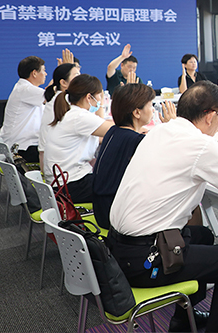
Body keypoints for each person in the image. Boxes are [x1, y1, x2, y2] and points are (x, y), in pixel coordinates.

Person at [109, 81, 218, 333]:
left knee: (203, 235)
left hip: (116, 249)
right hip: (144, 261)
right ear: (209, 116)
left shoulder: (159, 131)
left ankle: (183, 319)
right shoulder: (200, 145)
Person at [91, 84, 175, 229]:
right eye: (150, 105)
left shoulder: (114, 131)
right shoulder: (135, 141)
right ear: (137, 112)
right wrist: (173, 125)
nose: (153, 109)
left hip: (102, 208)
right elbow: (172, 156)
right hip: (118, 216)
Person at [45, 74, 114, 203]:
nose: (101, 100)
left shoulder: (72, 113)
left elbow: (103, 132)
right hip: (71, 185)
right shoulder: (80, 117)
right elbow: (116, 131)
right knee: (119, 184)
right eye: (99, 96)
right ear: (89, 97)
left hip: (61, 183)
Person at [0, 56, 48, 163]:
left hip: (19, 145)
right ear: (34, 73)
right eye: (44, 70)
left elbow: (51, 94)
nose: (46, 74)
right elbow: (52, 96)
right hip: (21, 150)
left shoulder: (24, 88)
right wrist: (62, 74)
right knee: (60, 153)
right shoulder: (25, 89)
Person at [39, 63, 81, 172]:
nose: (81, 79)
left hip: (49, 161)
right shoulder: (64, 101)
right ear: (63, 83)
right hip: (56, 167)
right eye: (76, 76)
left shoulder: (57, 97)